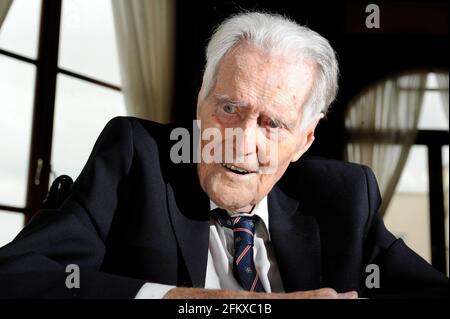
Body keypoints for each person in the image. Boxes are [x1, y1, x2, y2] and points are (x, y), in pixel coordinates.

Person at [0, 12, 447, 299]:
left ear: (305, 140)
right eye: (229, 108)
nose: (241, 140)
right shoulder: (136, 159)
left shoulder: (344, 197)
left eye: (273, 124)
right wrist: (193, 303)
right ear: (200, 101)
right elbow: (17, 275)